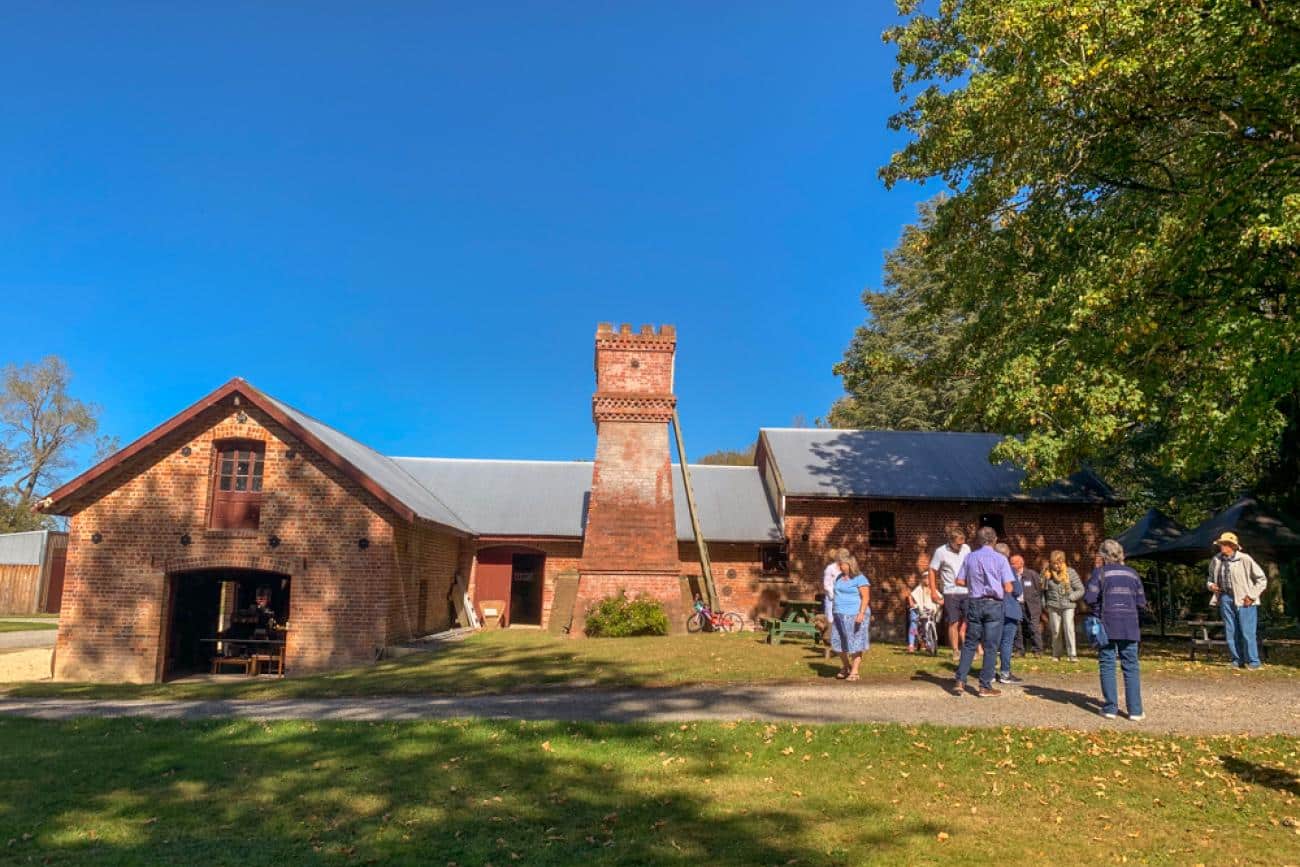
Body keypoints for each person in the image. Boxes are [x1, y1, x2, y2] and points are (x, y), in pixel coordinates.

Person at [1085, 540, 1146, 720]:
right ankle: (1135, 710)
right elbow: (1141, 602)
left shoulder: (1100, 573)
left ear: (1103, 556)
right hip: (1130, 624)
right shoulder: (1133, 574)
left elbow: (1089, 597)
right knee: (1131, 666)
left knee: (1107, 664)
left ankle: (1110, 708)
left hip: (1107, 624)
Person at [951, 527, 1014, 697]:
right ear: (995, 540)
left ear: (978, 540)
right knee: (991, 645)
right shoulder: (1001, 559)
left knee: (970, 642)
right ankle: (985, 685)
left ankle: (960, 681)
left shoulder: (970, 557)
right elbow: (1008, 586)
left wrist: (974, 585)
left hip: (975, 602)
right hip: (994, 604)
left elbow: (959, 580)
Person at [1206, 531, 1268, 670]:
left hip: (1245, 599)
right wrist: (1211, 586)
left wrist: (1251, 596)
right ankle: (1236, 660)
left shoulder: (1245, 559)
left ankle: (1253, 662)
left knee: (1247, 631)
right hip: (1225, 598)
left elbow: (1261, 579)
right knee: (1231, 631)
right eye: (1221, 544)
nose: (1222, 546)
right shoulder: (1216, 559)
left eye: (1225, 544)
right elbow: (1210, 579)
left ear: (1232, 546)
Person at [930, 528, 971, 662]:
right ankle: (955, 650)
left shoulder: (966, 548)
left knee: (969, 620)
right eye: (958, 544)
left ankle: (969, 648)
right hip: (950, 591)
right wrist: (933, 590)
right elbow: (932, 570)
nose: (961, 546)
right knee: (953, 622)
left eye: (962, 542)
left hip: (966, 591)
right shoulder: (941, 552)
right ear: (951, 541)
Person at [830, 554, 870, 681]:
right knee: (837, 642)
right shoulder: (839, 578)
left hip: (855, 614)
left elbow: (866, 597)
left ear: (849, 565)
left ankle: (855, 670)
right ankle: (846, 666)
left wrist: (861, 613)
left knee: (855, 642)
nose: (839, 566)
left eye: (841, 564)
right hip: (839, 614)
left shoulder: (860, 578)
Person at [1042, 551, 1084, 661]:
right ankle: (1056, 654)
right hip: (1053, 605)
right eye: (1054, 563)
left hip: (1068, 605)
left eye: (1059, 563)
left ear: (1063, 562)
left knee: (1069, 628)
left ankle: (1072, 654)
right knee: (1055, 630)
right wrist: (1045, 579)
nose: (1056, 566)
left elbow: (1080, 589)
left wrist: (1071, 597)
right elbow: (1043, 591)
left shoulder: (1070, 572)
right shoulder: (1047, 573)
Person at [994, 543, 1024, 685]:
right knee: (1007, 642)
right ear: (1006, 554)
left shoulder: (989, 567)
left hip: (993, 608)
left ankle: (990, 673)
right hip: (1010, 608)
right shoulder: (1009, 569)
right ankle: (1005, 673)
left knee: (992, 642)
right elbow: (1017, 590)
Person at [902, 552, 942, 652]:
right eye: (925, 579)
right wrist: (911, 603)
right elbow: (910, 595)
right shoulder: (919, 588)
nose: (927, 581)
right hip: (917, 609)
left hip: (928, 610)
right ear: (923, 579)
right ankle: (911, 645)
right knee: (913, 623)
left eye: (929, 579)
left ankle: (929, 644)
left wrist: (941, 602)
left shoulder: (933, 589)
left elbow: (940, 597)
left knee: (927, 625)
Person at [1011, 554, 1044, 655]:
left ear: (1021, 563)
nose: (1011, 565)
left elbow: (1039, 589)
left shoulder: (1031, 574)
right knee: (1018, 628)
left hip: (1031, 606)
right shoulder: (1011, 576)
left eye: (1014, 563)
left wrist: (1036, 602)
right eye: (1011, 563)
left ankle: (1037, 650)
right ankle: (1019, 650)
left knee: (1033, 628)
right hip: (1017, 605)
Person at [822, 547, 848, 622]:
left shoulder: (846, 568)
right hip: (832, 599)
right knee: (831, 621)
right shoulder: (830, 568)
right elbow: (826, 585)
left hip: (844, 599)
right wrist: (834, 596)